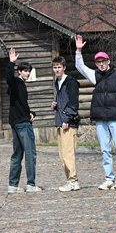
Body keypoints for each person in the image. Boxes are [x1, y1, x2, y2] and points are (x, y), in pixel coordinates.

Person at [74, 35, 116, 190]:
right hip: (101, 117)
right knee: (105, 150)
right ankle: (109, 178)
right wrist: (78, 50)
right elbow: (80, 67)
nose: (101, 64)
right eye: (98, 62)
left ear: (108, 61)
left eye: (103, 61)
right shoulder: (96, 76)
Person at [5, 48, 40, 193]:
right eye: (25, 70)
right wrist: (11, 63)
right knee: (30, 154)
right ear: (19, 71)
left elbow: (21, 104)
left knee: (17, 155)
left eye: (28, 71)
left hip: (18, 122)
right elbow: (8, 78)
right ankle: (31, 184)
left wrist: (31, 112)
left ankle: (12, 186)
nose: (27, 73)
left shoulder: (20, 86)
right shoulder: (16, 82)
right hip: (23, 125)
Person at [51, 56, 81, 191]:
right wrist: (55, 105)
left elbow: (74, 104)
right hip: (60, 121)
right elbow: (64, 101)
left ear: (64, 67)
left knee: (68, 154)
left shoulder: (71, 82)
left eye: (59, 67)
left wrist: (68, 120)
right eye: (55, 67)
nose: (57, 70)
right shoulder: (57, 82)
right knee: (62, 156)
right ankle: (69, 180)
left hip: (68, 122)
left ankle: (73, 181)